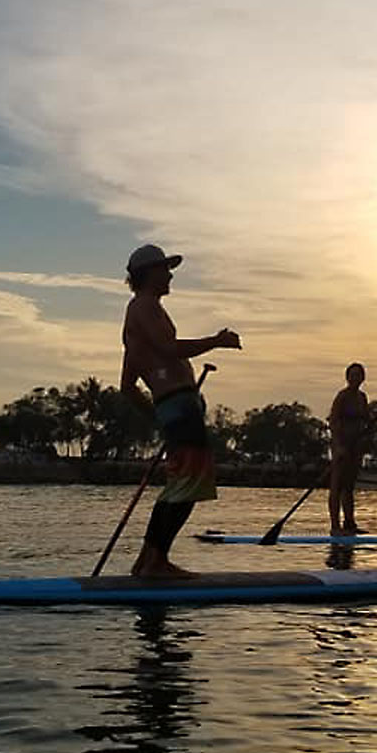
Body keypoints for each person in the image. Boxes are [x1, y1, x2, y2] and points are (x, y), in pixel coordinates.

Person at [120, 244, 241, 578]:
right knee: (188, 486)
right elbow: (170, 348)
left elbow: (128, 384)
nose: (170, 276)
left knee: (181, 484)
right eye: (165, 269)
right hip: (179, 407)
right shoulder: (144, 307)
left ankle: (147, 561)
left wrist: (158, 417)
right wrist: (216, 341)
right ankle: (156, 562)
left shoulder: (138, 316)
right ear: (148, 274)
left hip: (174, 409)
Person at [328, 362, 370, 537]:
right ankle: (335, 526)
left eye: (359, 375)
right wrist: (338, 447)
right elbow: (333, 421)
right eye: (352, 375)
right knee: (337, 485)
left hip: (355, 446)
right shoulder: (342, 397)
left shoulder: (362, 397)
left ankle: (349, 523)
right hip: (341, 445)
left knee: (349, 486)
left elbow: (365, 419)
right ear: (347, 377)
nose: (355, 378)